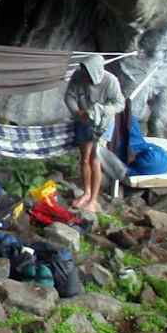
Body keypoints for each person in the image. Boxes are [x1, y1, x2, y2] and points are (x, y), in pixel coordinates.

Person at [65, 53, 125, 213]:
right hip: (84, 121)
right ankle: (86, 193)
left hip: (103, 124)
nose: (86, 73)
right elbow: (69, 97)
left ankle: (93, 200)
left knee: (95, 159)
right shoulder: (78, 77)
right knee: (84, 159)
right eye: (84, 69)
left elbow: (120, 104)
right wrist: (78, 113)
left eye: (88, 70)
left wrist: (103, 110)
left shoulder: (110, 81)